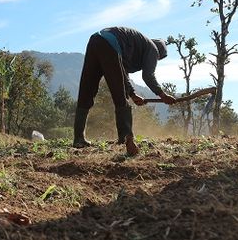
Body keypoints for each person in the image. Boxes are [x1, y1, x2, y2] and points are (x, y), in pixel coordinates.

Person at [73, 27, 177, 156]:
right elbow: (148, 76)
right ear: (160, 54)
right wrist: (163, 95)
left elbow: (122, 74)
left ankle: (78, 139)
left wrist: (133, 94)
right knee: (120, 97)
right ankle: (126, 139)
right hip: (109, 43)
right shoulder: (153, 50)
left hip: (95, 40)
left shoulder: (137, 45)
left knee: (87, 90)